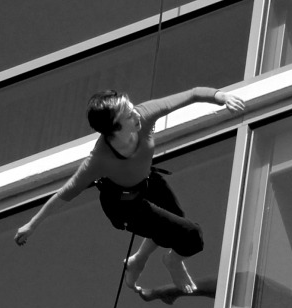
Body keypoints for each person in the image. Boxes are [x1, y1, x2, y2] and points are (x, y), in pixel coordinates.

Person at [14, 87, 244, 293]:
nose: (137, 115)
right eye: (129, 115)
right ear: (114, 129)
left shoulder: (143, 115)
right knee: (191, 236)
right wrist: (32, 225)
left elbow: (193, 94)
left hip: (145, 180)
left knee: (176, 221)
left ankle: (138, 259)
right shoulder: (99, 159)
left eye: (134, 109)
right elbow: (64, 194)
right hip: (123, 205)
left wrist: (222, 97)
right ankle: (173, 261)